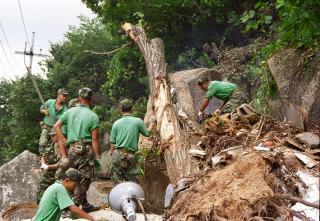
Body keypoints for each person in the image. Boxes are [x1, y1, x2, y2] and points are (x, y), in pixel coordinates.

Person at [54, 87, 100, 212]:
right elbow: (94, 139)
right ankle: (71, 208)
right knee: (85, 178)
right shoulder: (93, 116)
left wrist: (65, 141)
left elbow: (56, 126)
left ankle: (84, 205)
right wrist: (97, 157)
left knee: (72, 177)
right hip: (86, 150)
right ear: (91, 100)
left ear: (79, 98)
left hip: (73, 149)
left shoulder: (70, 112)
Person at [110, 99, 156, 183]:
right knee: (132, 183)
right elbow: (147, 133)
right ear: (132, 109)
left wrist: (112, 154)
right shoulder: (137, 121)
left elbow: (113, 143)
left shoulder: (116, 123)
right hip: (130, 156)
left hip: (117, 154)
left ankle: (119, 195)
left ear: (121, 110)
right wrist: (152, 123)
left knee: (118, 182)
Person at [33, 168, 99, 221]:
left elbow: (73, 214)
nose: (74, 189)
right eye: (74, 185)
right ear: (67, 181)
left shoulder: (56, 186)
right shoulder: (59, 188)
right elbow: (73, 209)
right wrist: (93, 219)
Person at [37, 129, 60, 204]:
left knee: (57, 192)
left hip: (57, 174)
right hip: (48, 173)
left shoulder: (61, 146)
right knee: (42, 188)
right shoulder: (49, 145)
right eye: (51, 136)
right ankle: (39, 206)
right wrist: (43, 164)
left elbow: (61, 164)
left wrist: (49, 167)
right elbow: (42, 156)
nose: (52, 137)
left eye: (53, 135)